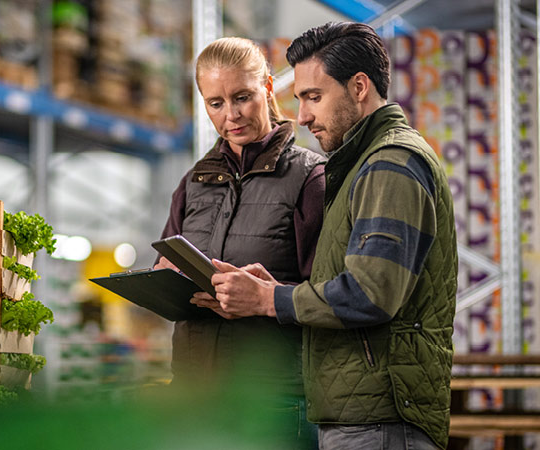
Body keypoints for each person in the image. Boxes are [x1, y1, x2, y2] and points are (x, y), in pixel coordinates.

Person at [194, 22, 458, 450]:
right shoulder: (360, 163)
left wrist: (268, 300)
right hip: (359, 413)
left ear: (358, 87)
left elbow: (370, 293)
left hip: (380, 420)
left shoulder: (390, 163)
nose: (302, 116)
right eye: (299, 99)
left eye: (314, 97)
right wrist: (275, 289)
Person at [154, 36, 326, 445]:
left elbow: (331, 296)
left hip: (273, 398)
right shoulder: (193, 182)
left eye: (242, 97)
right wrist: (163, 279)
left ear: (268, 88)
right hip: (193, 393)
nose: (231, 115)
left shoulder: (310, 177)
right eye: (215, 103)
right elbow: (167, 260)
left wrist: (265, 298)